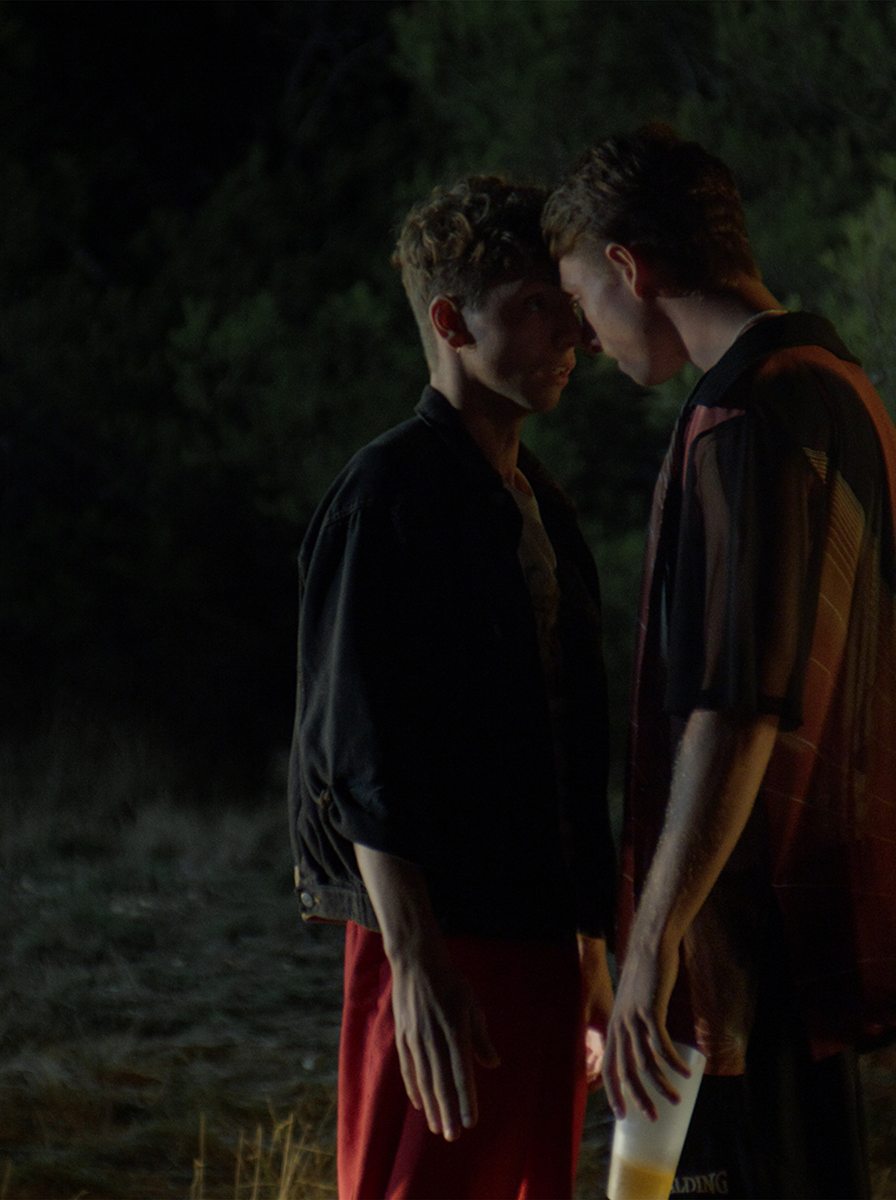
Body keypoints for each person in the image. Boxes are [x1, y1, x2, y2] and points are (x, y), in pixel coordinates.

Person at [544, 125, 896, 1198]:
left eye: (582, 302)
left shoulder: (742, 417)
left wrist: (652, 943)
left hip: (744, 953)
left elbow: (736, 706)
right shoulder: (843, 390)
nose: (585, 339)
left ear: (630, 267)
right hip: (811, 939)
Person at [286, 175, 617, 1199]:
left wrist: (590, 948)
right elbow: (356, 749)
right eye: (535, 305)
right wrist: (417, 962)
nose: (573, 333)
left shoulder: (540, 504)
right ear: (450, 322)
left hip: (537, 931)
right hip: (439, 931)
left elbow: (567, 742)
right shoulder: (386, 496)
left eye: (568, 303)